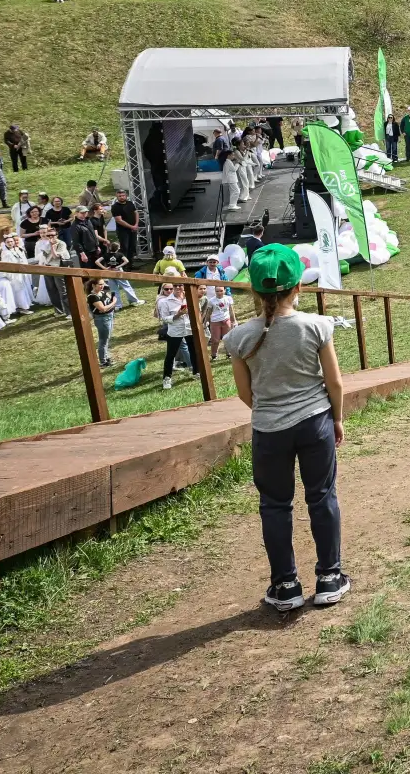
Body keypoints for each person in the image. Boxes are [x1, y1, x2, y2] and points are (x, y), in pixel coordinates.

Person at [222, 244, 349, 612]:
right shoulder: (316, 326)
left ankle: (285, 586)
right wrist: (336, 418)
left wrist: (269, 412)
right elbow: (335, 383)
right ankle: (329, 577)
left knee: (275, 505)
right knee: (322, 496)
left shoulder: (238, 337)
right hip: (315, 422)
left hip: (268, 429)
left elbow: (245, 393)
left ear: (255, 291)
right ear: (298, 288)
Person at [154, 282, 196, 389]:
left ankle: (196, 372)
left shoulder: (189, 297)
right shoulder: (165, 301)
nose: (178, 287)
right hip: (175, 331)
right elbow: (164, 318)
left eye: (180, 285)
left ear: (183, 286)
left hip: (189, 329)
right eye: (175, 286)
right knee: (170, 355)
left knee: (194, 351)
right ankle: (167, 378)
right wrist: (178, 315)